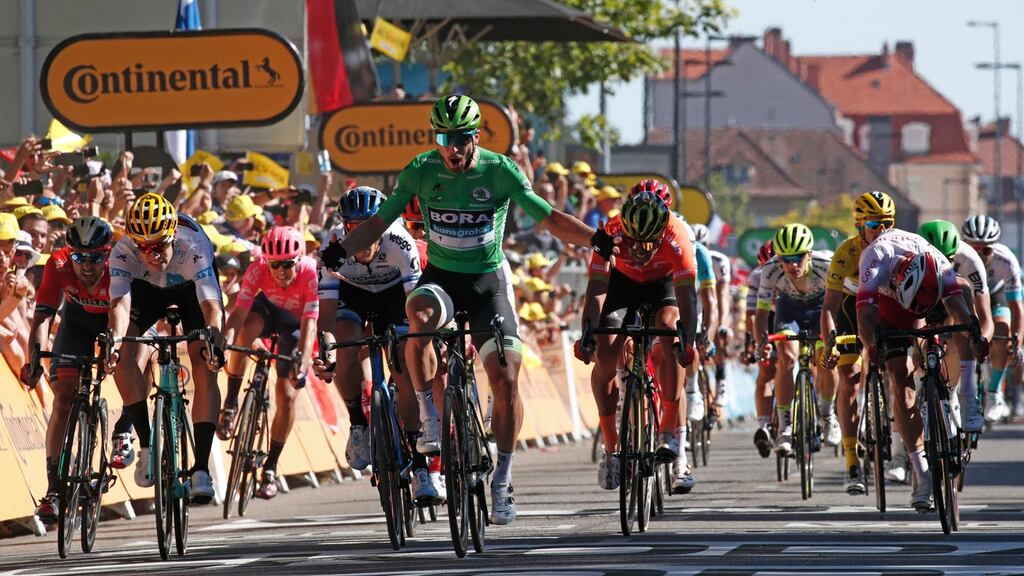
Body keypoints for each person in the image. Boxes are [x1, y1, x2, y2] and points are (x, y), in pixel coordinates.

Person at [321, 94, 613, 525]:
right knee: (417, 316)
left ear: (476, 136)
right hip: (442, 280)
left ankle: (503, 479)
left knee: (506, 379)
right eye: (444, 139)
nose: (453, 148)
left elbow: (549, 218)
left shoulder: (500, 170)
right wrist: (342, 249)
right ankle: (429, 417)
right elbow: (380, 222)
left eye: (460, 139)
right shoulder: (421, 170)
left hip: (486, 285)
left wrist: (594, 238)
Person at [316, 187, 437, 501]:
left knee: (404, 366)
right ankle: (358, 423)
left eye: (370, 227)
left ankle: (420, 465)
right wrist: (326, 351)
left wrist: (418, 344)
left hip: (395, 295)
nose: (364, 237)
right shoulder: (332, 246)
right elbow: (326, 316)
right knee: (345, 344)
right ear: (344, 227)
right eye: (353, 228)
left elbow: (416, 306)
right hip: (353, 293)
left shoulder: (400, 242)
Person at [575, 190, 699, 494]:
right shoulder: (611, 231)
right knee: (606, 355)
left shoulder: (677, 236)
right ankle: (611, 447)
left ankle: (668, 432)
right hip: (622, 285)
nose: (640, 250)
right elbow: (596, 289)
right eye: (634, 242)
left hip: (662, 286)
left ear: (661, 234)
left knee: (670, 331)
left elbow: (687, 297)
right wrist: (588, 334)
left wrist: (688, 341)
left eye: (648, 243)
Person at [855, 227, 987, 510]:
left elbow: (959, 310)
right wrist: (873, 347)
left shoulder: (940, 265)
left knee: (963, 299)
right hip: (891, 307)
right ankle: (922, 472)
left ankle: (961, 394)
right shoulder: (875, 258)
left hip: (933, 301)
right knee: (901, 383)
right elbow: (864, 317)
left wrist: (975, 337)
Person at [105, 193, 225, 504]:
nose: (154, 254)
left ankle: (201, 469)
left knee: (204, 363)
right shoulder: (123, 252)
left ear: (173, 235)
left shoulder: (193, 245)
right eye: (145, 248)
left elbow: (211, 306)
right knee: (121, 354)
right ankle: (147, 447)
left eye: (160, 245)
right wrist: (114, 341)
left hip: (191, 293)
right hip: (147, 291)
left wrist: (214, 339)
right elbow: (120, 306)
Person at [21, 217, 114, 522]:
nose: (86, 266)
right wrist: (34, 359)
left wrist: (115, 351)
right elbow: (42, 317)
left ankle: (121, 437)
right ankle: (53, 490)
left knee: (131, 368)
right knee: (63, 399)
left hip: (113, 322)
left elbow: (126, 316)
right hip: (75, 325)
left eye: (95, 258)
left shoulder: (119, 265)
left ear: (107, 253)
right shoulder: (57, 264)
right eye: (79, 257)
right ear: (69, 253)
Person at [219, 226, 318, 499]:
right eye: (275, 265)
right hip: (267, 312)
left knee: (286, 396)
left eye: (287, 264)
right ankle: (230, 403)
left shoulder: (311, 272)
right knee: (246, 328)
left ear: (299, 259)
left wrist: (303, 362)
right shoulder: (257, 269)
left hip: (295, 325)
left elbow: (310, 326)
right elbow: (238, 315)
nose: (281, 271)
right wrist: (224, 344)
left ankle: (271, 466)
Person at [821, 191, 895, 494]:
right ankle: (851, 460)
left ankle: (898, 439)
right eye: (874, 224)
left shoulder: (899, 247)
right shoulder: (846, 252)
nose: (881, 230)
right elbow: (829, 306)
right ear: (859, 225)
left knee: (898, 369)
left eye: (887, 223)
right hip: (851, 309)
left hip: (888, 307)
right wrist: (830, 343)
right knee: (849, 378)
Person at [754, 224, 838, 455]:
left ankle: (827, 413)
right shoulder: (770, 270)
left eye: (798, 258)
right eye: (786, 259)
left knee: (826, 359)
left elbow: (839, 304)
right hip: (789, 310)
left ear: (809, 254)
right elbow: (761, 314)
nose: (792, 265)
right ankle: (785, 427)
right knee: (787, 358)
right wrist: (761, 343)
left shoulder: (826, 266)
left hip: (821, 310)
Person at [919, 219, 991, 434]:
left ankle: (967, 394)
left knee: (963, 302)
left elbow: (985, 317)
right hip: (921, 296)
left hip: (954, 298)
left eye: (948, 259)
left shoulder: (970, 259)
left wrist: (980, 341)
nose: (942, 265)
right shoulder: (908, 254)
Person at [961, 215, 1022, 423]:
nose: (980, 254)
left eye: (986, 250)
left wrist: (1017, 342)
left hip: (996, 295)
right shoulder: (958, 256)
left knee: (1002, 331)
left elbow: (1017, 308)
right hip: (968, 294)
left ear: (994, 247)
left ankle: (995, 392)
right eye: (975, 249)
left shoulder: (1006, 261)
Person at [691, 223, 733, 413]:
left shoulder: (719, 261)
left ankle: (721, 381)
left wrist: (722, 325)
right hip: (694, 299)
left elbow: (722, 297)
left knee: (718, 332)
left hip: (712, 299)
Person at [745, 239, 777, 457]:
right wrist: (753, 344)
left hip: (789, 312)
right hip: (767, 317)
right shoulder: (757, 276)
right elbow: (752, 315)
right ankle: (765, 426)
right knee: (767, 370)